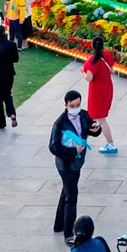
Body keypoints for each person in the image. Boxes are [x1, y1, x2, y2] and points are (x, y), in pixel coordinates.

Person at [51, 89, 102, 243]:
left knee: (66, 192)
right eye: (72, 105)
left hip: (77, 162)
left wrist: (96, 129)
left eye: (78, 104)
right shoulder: (60, 123)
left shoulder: (84, 115)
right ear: (65, 105)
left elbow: (90, 130)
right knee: (71, 196)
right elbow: (53, 147)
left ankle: (59, 224)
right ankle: (69, 233)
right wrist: (73, 151)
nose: (76, 108)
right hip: (66, 164)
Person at [81, 37, 119, 154]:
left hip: (97, 91)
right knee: (95, 116)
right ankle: (84, 139)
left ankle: (110, 143)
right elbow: (112, 70)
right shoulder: (107, 55)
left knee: (100, 118)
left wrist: (83, 72)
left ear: (92, 45)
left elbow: (89, 78)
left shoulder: (92, 60)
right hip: (107, 88)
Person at [0, 23, 20, 130]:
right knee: (7, 94)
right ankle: (11, 113)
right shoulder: (12, 45)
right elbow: (16, 59)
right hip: (9, 74)